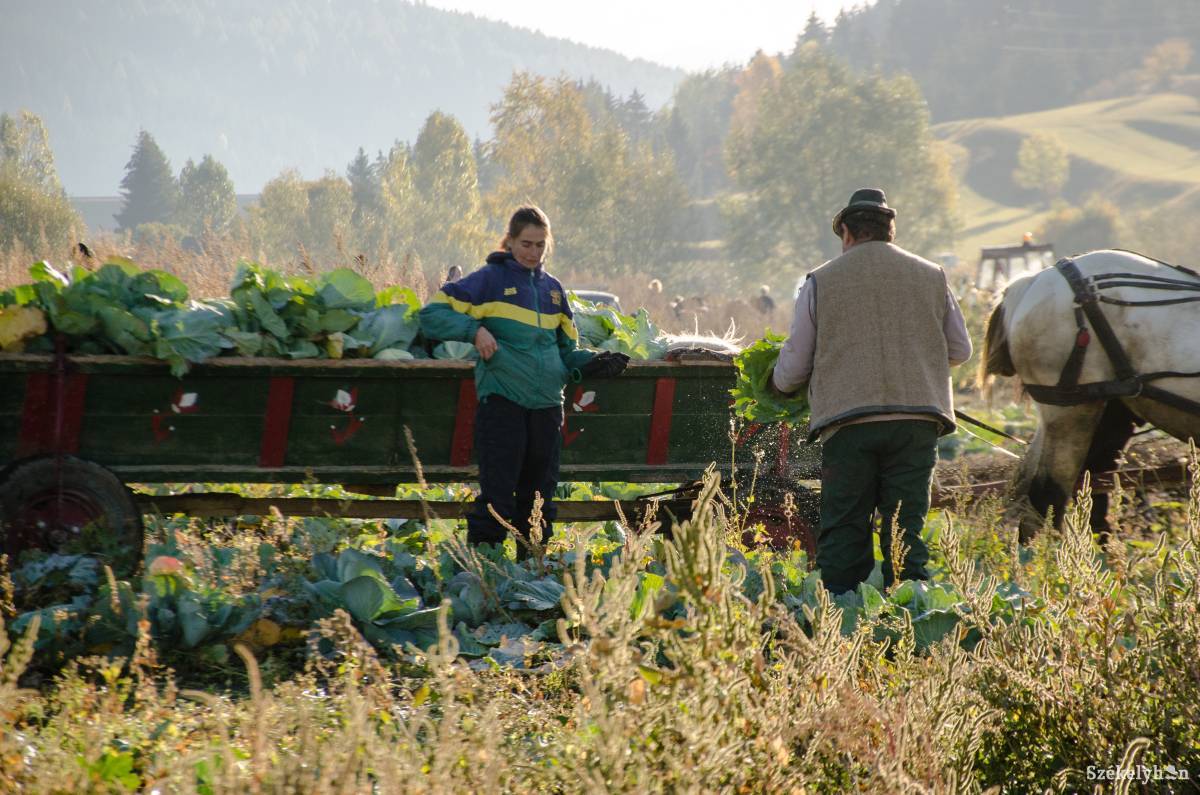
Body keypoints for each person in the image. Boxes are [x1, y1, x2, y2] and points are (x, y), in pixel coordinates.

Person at [770, 188, 972, 594]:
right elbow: (960, 350)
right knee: (905, 530)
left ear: (846, 231)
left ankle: (845, 619)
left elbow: (793, 368)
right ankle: (909, 618)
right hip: (917, 423)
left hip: (849, 425)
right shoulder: (932, 275)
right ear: (890, 231)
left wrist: (776, 385)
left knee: (845, 528)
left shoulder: (821, 281)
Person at [419, 206, 629, 548]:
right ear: (510, 241)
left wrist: (590, 363)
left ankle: (533, 574)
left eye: (540, 245)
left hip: (547, 405)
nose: (533, 253)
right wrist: (474, 331)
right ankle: (486, 571)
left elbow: (564, 352)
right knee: (498, 499)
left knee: (538, 503)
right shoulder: (488, 280)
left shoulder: (554, 292)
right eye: (526, 244)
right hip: (503, 403)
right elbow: (431, 316)